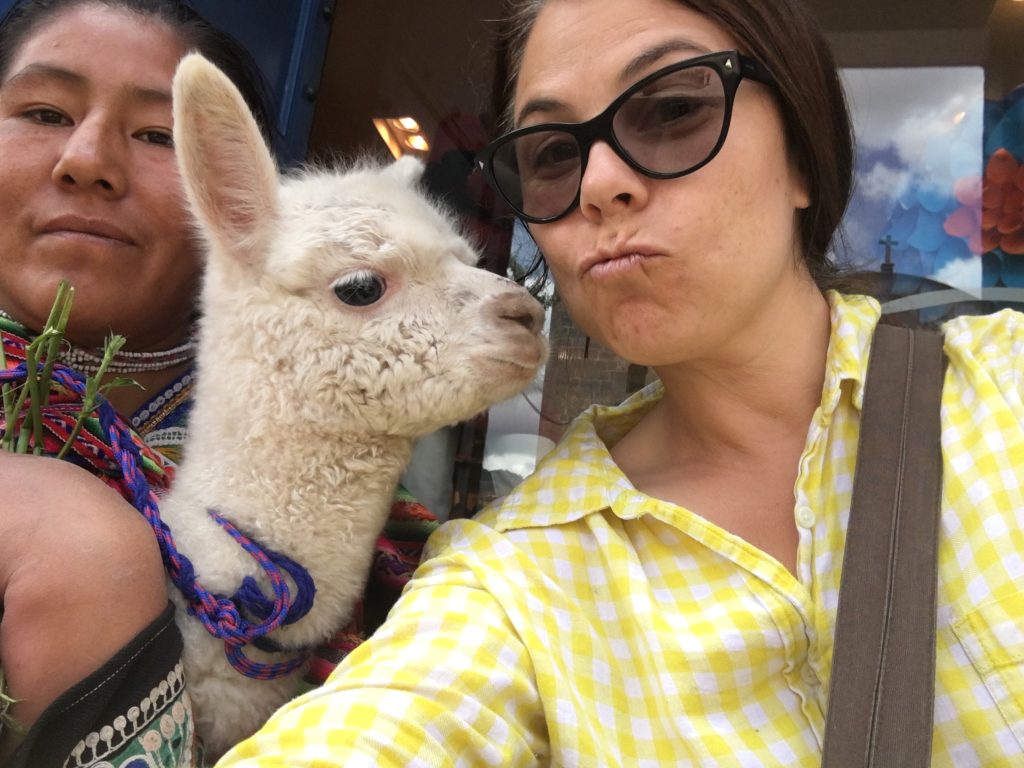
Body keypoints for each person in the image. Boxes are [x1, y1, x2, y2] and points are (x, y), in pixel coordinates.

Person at [216, 0, 1024, 765]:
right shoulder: (514, 576)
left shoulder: (1002, 389)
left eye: (672, 110)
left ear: (801, 156)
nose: (600, 184)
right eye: (552, 155)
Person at [0, 1, 270, 764]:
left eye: (159, 134)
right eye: (44, 113)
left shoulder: (316, 487)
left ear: (237, 196)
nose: (87, 159)